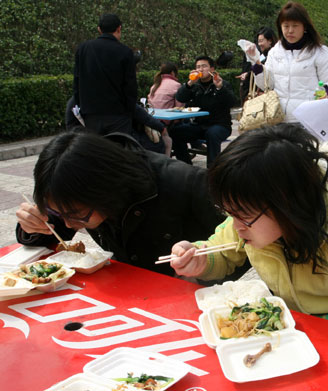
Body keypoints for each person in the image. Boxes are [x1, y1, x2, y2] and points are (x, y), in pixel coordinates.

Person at [168, 125, 328, 345]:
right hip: (289, 340)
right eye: (228, 212)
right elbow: (221, 253)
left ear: (287, 205)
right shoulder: (249, 218)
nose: (236, 225)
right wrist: (199, 260)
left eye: (242, 215)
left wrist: (303, 326)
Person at [14, 131, 237, 279]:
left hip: (184, 293)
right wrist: (32, 226)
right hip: (129, 289)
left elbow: (240, 245)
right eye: (57, 212)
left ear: (104, 193)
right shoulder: (77, 198)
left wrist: (201, 274)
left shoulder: (182, 183)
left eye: (76, 217)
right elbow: (55, 232)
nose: (69, 225)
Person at [248, 2, 328, 123]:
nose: (290, 31)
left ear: (304, 26)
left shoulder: (319, 52)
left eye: (295, 26)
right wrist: (256, 65)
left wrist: (326, 91)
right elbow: (267, 85)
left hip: (308, 119)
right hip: (278, 117)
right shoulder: (275, 51)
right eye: (286, 26)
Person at [73, 14, 137, 136]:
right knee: (117, 151)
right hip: (117, 114)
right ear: (119, 28)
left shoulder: (83, 49)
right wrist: (130, 112)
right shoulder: (125, 52)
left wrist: (81, 106)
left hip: (91, 113)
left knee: (96, 151)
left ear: (99, 29)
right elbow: (130, 87)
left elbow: (77, 81)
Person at [170, 55, 236, 165]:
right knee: (175, 132)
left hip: (220, 125)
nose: (201, 69)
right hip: (199, 125)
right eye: (198, 67)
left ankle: (212, 170)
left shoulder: (221, 83)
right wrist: (189, 83)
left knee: (212, 134)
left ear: (212, 69)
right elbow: (180, 97)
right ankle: (186, 166)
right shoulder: (194, 86)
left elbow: (231, 102)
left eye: (204, 66)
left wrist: (220, 88)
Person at [238, 27, 278, 102]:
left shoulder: (276, 56)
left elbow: (268, 75)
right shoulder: (261, 55)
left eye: (261, 41)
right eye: (258, 41)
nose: (259, 44)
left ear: (270, 41)